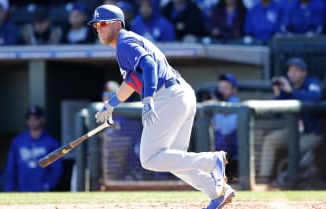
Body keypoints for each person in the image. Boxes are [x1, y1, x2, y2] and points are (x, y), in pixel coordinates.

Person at [88, 4, 235, 208]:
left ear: (118, 24)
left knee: (149, 159)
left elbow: (148, 65)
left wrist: (147, 99)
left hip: (167, 96)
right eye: (96, 25)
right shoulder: (127, 43)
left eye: (103, 23)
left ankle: (211, 161)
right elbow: (132, 81)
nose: (99, 28)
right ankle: (217, 193)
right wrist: (111, 104)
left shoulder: (124, 42)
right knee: (173, 159)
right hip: (180, 93)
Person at [258, 57, 323, 184]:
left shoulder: (312, 83)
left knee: (296, 148)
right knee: (271, 140)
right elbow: (275, 113)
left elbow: (314, 98)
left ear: (304, 73)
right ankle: (264, 178)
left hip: (312, 133)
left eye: (296, 70)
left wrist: (291, 91)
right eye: (290, 71)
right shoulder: (287, 87)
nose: (292, 73)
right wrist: (278, 94)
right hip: (293, 131)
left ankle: (296, 178)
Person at [5, 105, 63, 192]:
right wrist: (10, 189)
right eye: (29, 118)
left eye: (36, 118)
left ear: (42, 119)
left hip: (42, 191)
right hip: (21, 190)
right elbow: (11, 168)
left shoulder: (51, 142)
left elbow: (56, 168)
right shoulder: (18, 141)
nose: (32, 121)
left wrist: (47, 185)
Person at [212, 73, 240, 180]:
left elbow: (226, 129)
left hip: (232, 154)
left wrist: (217, 108)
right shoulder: (215, 103)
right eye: (221, 87)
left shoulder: (236, 103)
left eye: (226, 87)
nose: (222, 90)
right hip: (216, 153)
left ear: (233, 89)